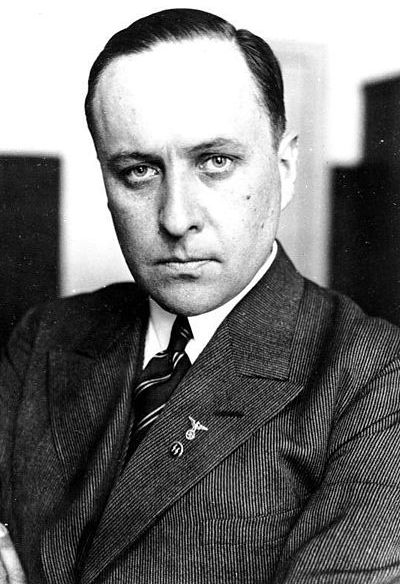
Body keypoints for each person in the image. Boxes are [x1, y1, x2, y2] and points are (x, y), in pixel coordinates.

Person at [1, 8, 400, 584]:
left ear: (285, 168)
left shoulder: (375, 377)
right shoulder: (45, 337)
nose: (176, 217)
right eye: (139, 171)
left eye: (216, 162)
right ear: (107, 184)